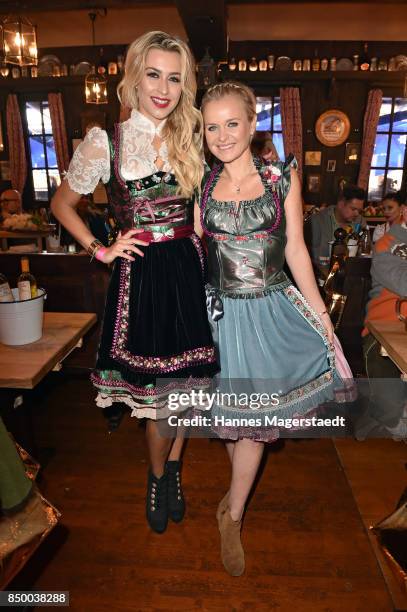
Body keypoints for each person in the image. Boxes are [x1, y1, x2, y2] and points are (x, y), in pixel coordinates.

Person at [51, 31, 218, 534]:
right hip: (144, 276)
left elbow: (202, 211)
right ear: (134, 77)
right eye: (154, 74)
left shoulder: (192, 136)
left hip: (191, 270)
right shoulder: (108, 140)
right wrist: (101, 249)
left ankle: (175, 473)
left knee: (190, 389)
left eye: (174, 77)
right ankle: (156, 474)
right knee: (158, 396)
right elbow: (62, 204)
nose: (164, 88)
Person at [196, 82, 354, 576]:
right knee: (233, 419)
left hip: (271, 311)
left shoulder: (281, 178)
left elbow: (296, 252)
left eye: (231, 123)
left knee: (255, 429)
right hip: (220, 315)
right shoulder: (200, 185)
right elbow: (195, 255)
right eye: (211, 126)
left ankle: (233, 516)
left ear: (251, 123)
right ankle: (236, 493)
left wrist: (323, 319)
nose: (222, 135)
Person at [360, 204, 407, 437]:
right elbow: (403, 283)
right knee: (392, 414)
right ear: (405, 211)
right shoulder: (387, 244)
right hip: (383, 331)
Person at [304, 184, 366, 274]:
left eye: (359, 211)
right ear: (341, 204)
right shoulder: (317, 221)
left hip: (350, 274)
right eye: (353, 209)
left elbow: (365, 253)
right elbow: (305, 255)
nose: (357, 214)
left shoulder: (360, 222)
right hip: (320, 275)